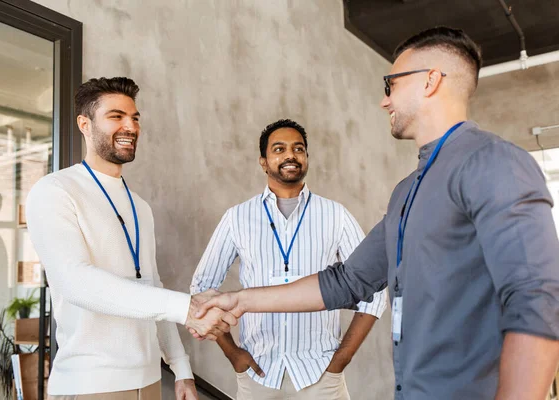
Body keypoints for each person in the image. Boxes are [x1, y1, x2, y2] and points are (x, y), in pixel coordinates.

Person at [194, 27, 559, 400]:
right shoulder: (407, 191)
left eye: (392, 84)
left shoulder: (494, 163)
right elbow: (347, 282)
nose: (385, 102)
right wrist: (239, 301)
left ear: (430, 81)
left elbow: (539, 300)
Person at [27, 77, 235, 399]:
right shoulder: (54, 191)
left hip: (150, 381)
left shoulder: (141, 206)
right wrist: (186, 308)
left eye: (135, 118)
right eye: (116, 116)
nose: (131, 126)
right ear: (85, 124)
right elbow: (75, 281)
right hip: (90, 384)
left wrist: (181, 368)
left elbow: (152, 285)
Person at [191, 119, 386, 399]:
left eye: (298, 149)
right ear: (264, 161)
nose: (290, 155)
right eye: (279, 149)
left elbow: (376, 289)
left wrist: (341, 358)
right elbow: (201, 289)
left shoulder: (335, 215)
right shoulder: (237, 218)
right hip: (258, 374)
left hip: (320, 374)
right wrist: (233, 354)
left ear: (306, 157)